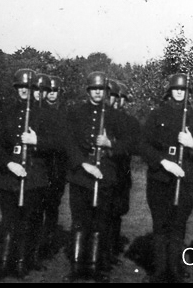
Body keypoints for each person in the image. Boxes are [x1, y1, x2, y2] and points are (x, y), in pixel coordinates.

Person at [0, 68, 63, 279]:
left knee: (29, 221)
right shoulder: (6, 112)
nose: (24, 90)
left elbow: (60, 144)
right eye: (21, 86)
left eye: (28, 87)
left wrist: (37, 142)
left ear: (34, 89)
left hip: (35, 176)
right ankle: (4, 263)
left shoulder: (46, 114)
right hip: (9, 175)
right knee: (9, 220)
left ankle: (23, 262)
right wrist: (8, 164)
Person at [140, 73, 193, 283]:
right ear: (169, 91)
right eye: (176, 88)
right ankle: (160, 271)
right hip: (160, 178)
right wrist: (164, 162)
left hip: (185, 179)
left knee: (179, 224)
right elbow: (143, 145)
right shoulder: (157, 114)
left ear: (188, 92)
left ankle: (176, 269)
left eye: (184, 89)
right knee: (161, 224)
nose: (180, 92)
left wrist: (192, 144)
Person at [64, 71, 128, 282]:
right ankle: (76, 267)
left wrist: (111, 144)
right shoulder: (76, 112)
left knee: (101, 223)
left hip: (105, 175)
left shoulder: (115, 115)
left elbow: (131, 143)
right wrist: (83, 164)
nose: (98, 92)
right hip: (81, 175)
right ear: (88, 90)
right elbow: (69, 142)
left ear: (106, 91)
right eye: (94, 89)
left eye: (101, 89)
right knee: (80, 222)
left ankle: (94, 267)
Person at [34, 74, 68, 266]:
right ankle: (36, 245)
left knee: (52, 207)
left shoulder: (64, 112)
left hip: (57, 167)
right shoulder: (38, 110)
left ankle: (47, 244)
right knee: (36, 208)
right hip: (40, 166)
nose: (51, 94)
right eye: (49, 90)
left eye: (55, 91)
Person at [107, 79, 141, 264]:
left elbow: (136, 145)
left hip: (121, 170)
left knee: (117, 210)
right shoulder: (102, 117)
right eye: (114, 97)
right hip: (103, 170)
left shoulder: (130, 122)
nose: (117, 101)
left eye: (121, 99)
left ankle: (112, 247)